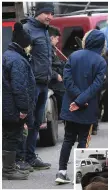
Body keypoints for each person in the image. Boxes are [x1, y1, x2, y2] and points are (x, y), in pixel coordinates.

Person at [55, 29, 107, 183]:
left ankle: (61, 172)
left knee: (68, 139)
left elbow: (67, 79)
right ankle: (80, 174)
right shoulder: (100, 61)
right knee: (83, 140)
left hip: (70, 105)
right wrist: (82, 100)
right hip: (87, 107)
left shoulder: (73, 56)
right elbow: (97, 86)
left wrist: (77, 99)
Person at [22, 2, 54, 169]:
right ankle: (20, 160)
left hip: (44, 83)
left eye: (51, 13)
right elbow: (22, 58)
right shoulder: (27, 29)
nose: (49, 16)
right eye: (46, 13)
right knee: (25, 122)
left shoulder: (44, 30)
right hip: (32, 84)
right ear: (38, 13)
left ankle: (30, 157)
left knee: (35, 123)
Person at [2, 22, 35, 180]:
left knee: (10, 136)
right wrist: (23, 109)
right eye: (29, 45)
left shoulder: (8, 56)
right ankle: (8, 170)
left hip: (7, 106)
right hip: (13, 107)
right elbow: (19, 87)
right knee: (12, 137)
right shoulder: (17, 60)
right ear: (24, 45)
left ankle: (10, 167)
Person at [48, 25, 66, 118]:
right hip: (52, 80)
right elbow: (46, 66)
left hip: (57, 76)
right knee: (63, 92)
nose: (58, 41)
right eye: (56, 38)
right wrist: (55, 75)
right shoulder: (47, 50)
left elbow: (57, 63)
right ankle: (63, 115)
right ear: (51, 38)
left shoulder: (52, 49)